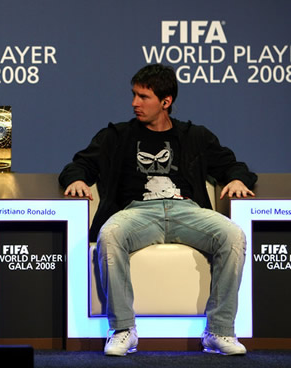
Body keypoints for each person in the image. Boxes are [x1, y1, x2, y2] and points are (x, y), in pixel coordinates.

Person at [59, 64, 257, 356]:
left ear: (166, 102)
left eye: (143, 97)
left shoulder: (195, 136)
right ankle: (123, 330)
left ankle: (219, 331)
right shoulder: (117, 136)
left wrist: (238, 179)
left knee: (232, 235)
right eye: (134, 95)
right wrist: (76, 179)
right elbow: (79, 164)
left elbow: (233, 166)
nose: (134, 103)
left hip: (186, 210)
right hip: (137, 212)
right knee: (110, 234)